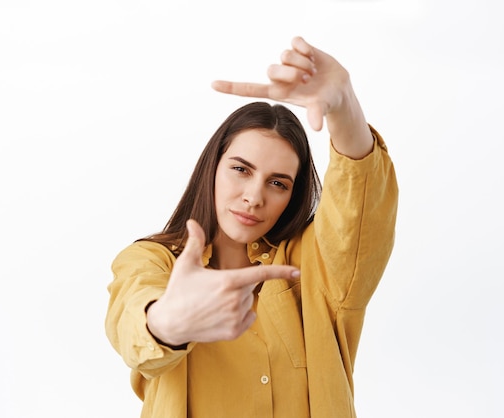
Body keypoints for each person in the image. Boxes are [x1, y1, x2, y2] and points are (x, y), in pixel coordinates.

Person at [105, 36, 398, 418]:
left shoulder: (312, 268)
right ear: (213, 166)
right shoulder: (151, 260)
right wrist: (169, 322)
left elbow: (357, 216)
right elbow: (132, 317)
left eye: (278, 183)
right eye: (241, 169)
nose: (254, 196)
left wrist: (345, 109)